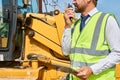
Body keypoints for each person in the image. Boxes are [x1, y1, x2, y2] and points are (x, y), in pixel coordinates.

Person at [62, 0, 120, 80]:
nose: (73, 2)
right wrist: (67, 26)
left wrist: (92, 69)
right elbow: (66, 51)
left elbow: (118, 53)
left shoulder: (107, 20)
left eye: (76, 0)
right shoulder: (75, 24)